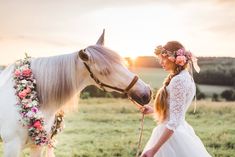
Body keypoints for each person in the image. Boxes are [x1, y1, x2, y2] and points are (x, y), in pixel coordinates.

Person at [140, 41, 212, 157]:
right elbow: (174, 109)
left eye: (162, 59)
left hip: (172, 136)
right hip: (178, 130)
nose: (161, 63)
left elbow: (174, 121)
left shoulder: (178, 81)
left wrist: (154, 150)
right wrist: (153, 110)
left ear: (173, 58)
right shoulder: (183, 77)